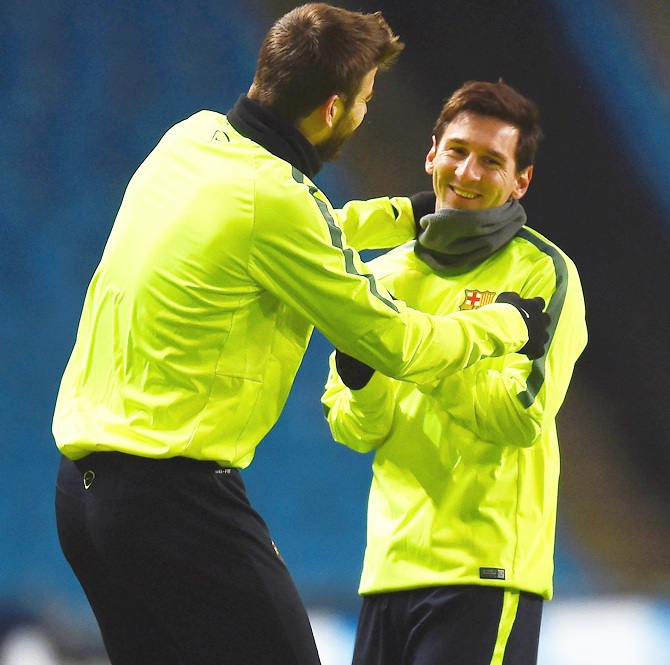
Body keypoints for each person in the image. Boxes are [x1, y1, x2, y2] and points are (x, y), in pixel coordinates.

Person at [52, 3, 549, 662]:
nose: (367, 113)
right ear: (332, 109)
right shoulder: (280, 203)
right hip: (172, 502)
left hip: (83, 501)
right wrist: (503, 322)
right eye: (366, 100)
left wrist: (404, 213)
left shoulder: (191, 139)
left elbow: (279, 234)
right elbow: (395, 341)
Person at [322, 80, 587, 665]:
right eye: (457, 150)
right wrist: (365, 384)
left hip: (485, 569)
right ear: (431, 154)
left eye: (491, 161)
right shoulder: (382, 276)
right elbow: (353, 428)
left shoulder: (544, 274)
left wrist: (419, 354)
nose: (467, 172)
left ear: (521, 180)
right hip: (388, 567)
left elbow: (521, 414)